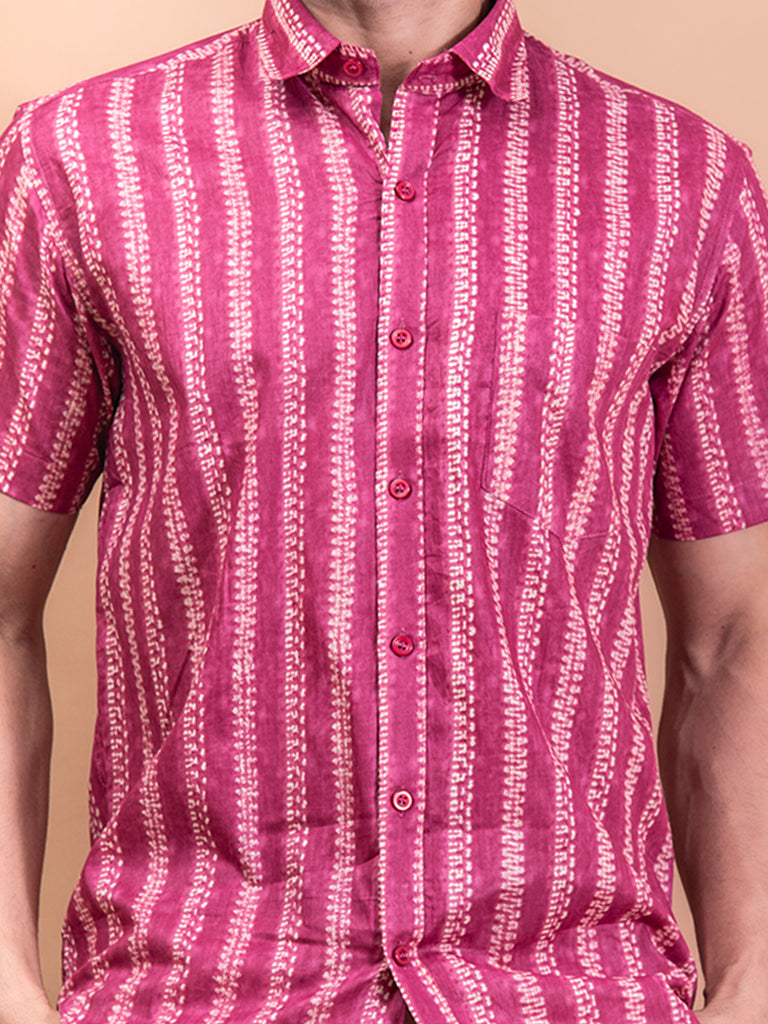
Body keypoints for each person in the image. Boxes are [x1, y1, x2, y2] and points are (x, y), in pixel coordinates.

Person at [1, 0, 767, 1021]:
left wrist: (750, 982)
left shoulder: (686, 181)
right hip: (201, 988)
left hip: (568, 992)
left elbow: (729, 639)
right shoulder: (77, 157)